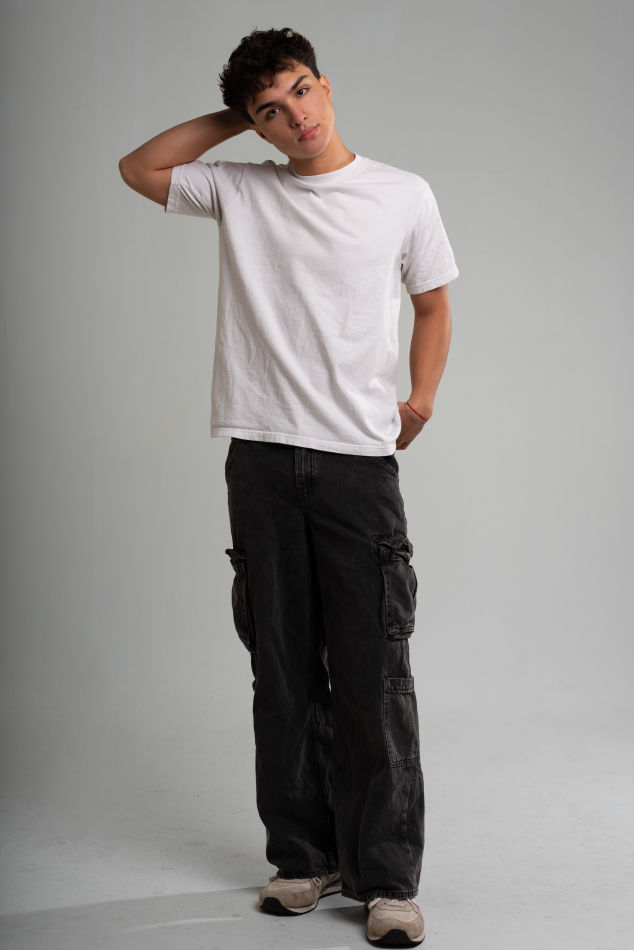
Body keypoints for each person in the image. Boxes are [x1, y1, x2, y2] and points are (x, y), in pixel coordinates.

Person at [119, 25, 459, 948]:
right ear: (254, 125)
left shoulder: (401, 193)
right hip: (263, 458)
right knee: (281, 671)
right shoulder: (241, 188)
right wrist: (237, 119)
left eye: (301, 91)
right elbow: (138, 168)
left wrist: (421, 399)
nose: (295, 116)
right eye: (271, 109)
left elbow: (433, 302)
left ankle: (385, 880)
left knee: (373, 674)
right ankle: (305, 858)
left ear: (326, 85)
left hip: (356, 466)